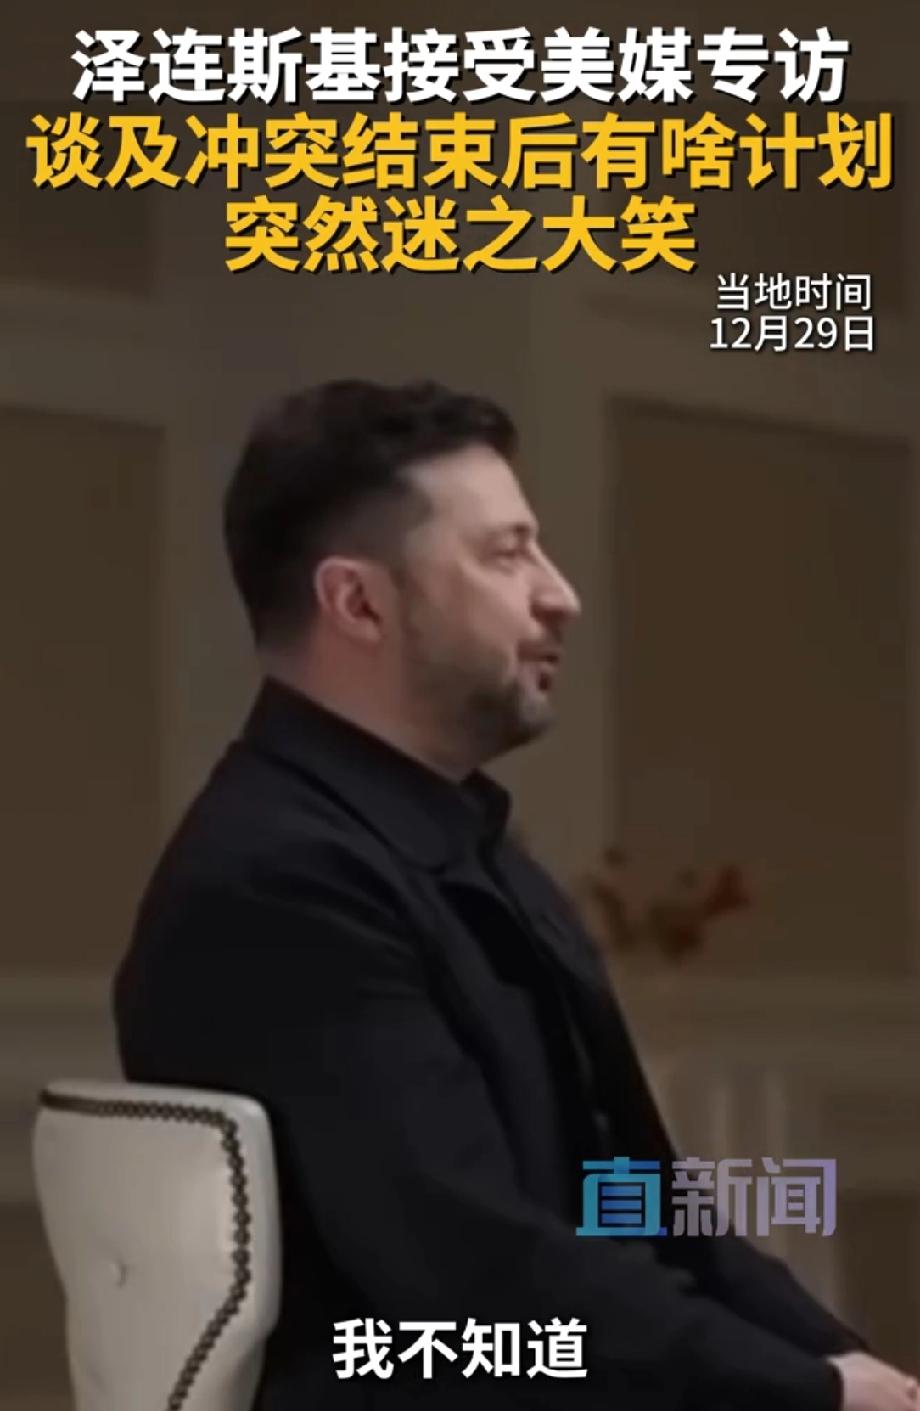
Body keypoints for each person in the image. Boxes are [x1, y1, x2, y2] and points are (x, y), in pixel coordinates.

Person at [114, 379, 916, 1411]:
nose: (558, 593)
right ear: (357, 603)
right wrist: (795, 1389)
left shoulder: (458, 839)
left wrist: (843, 1368)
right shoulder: (280, 882)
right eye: (505, 554)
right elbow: (471, 1276)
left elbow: (628, 1196)